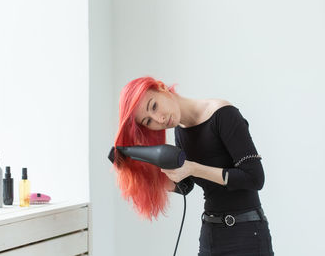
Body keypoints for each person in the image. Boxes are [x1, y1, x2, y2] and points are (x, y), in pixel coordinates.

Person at [112, 76, 274, 255]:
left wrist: (194, 168)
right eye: (148, 121)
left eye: (154, 106)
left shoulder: (223, 114)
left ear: (161, 88)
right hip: (211, 234)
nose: (159, 119)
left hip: (248, 234)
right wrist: (144, 171)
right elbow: (186, 186)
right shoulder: (180, 132)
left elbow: (254, 177)